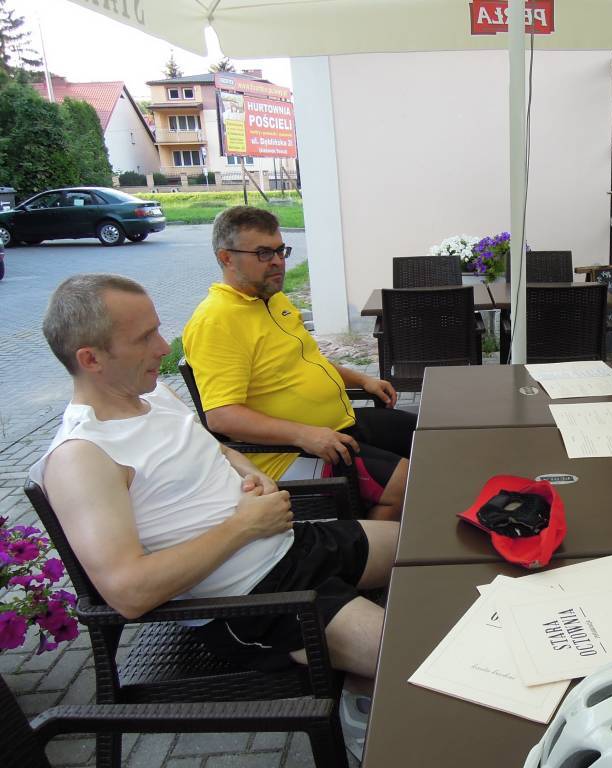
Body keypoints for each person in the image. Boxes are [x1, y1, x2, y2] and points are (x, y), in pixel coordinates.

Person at [31, 274, 396, 759]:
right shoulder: (82, 457)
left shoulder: (153, 396)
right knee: (414, 655)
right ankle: (371, 714)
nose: (164, 347)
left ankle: (366, 679)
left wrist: (252, 473)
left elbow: (218, 448)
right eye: (144, 338)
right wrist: (244, 527)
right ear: (91, 359)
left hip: (292, 544)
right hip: (255, 602)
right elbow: (128, 592)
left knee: (429, 546)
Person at [183, 206, 416, 522]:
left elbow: (307, 362)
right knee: (405, 483)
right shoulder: (217, 321)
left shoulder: (272, 299)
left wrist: (362, 380)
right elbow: (222, 416)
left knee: (424, 435)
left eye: (280, 250)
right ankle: (367, 543)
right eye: (264, 253)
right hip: (288, 453)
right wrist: (303, 434)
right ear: (226, 258)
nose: (278, 261)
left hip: (334, 427)